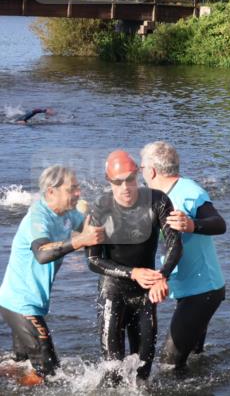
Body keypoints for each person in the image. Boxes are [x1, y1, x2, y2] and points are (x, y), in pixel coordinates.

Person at [0, 166, 104, 385]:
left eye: (78, 188)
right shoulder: (38, 218)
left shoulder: (66, 213)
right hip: (20, 304)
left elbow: (87, 221)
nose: (78, 193)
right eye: (72, 189)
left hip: (30, 302)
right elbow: (42, 253)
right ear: (51, 192)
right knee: (50, 372)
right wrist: (80, 240)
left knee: (19, 365)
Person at [86, 150, 182, 383]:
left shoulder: (158, 200)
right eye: (118, 182)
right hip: (112, 291)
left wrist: (162, 277)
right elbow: (93, 260)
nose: (125, 187)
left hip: (145, 291)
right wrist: (132, 273)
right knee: (113, 371)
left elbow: (175, 245)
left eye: (130, 179)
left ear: (138, 175)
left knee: (143, 369)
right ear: (109, 181)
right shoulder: (101, 207)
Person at [140, 141, 226, 370]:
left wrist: (192, 225)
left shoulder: (189, 190)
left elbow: (219, 223)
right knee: (194, 359)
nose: (141, 173)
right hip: (189, 289)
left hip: (203, 290)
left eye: (141, 168)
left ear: (152, 171)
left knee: (169, 364)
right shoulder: (158, 197)